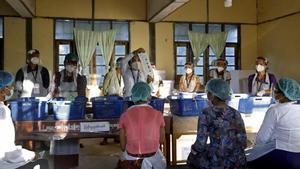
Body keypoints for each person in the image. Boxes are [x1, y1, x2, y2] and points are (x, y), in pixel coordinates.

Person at [187, 78, 247, 169]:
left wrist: (193, 150)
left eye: (208, 92)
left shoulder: (206, 113)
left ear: (212, 95)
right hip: (238, 161)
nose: (207, 95)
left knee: (192, 158)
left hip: (218, 163)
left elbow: (200, 144)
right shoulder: (236, 113)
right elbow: (243, 142)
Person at [246, 78, 300, 169]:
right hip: (297, 156)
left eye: (276, 91)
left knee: (248, 159)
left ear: (283, 94)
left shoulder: (275, 110)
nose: (274, 92)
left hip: (282, 155)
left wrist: (252, 145)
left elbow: (261, 139)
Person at [116, 82, 166, 169]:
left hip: (131, 161)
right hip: (154, 160)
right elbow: (161, 140)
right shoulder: (158, 114)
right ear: (149, 97)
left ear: (133, 97)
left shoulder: (124, 116)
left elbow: (123, 147)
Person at [0, 71, 35, 167]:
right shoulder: (3, 111)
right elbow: (6, 150)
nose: (12, 89)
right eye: (9, 86)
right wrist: (28, 155)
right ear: (2, 90)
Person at [100, 57, 124, 145]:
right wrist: (108, 96)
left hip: (118, 100)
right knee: (108, 118)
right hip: (110, 99)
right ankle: (105, 138)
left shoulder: (122, 75)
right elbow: (105, 88)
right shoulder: (110, 74)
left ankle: (116, 136)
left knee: (117, 119)